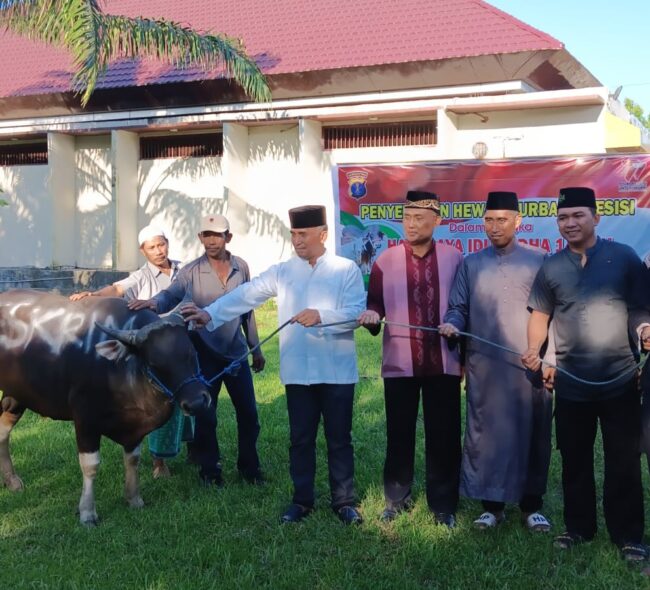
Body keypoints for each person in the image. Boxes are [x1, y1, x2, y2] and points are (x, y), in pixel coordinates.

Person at [180, 205, 366, 525]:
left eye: (303, 235)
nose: (297, 241)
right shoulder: (283, 271)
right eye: (293, 234)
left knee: (339, 438)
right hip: (298, 373)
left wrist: (323, 316)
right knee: (300, 438)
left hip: (336, 370)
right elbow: (246, 294)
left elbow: (356, 312)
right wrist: (211, 313)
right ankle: (302, 500)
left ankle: (344, 501)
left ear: (322, 235)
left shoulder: (345, 269)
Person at [522, 186, 650, 562]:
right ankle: (579, 528)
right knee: (574, 459)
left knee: (622, 461)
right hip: (572, 383)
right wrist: (536, 351)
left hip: (621, 380)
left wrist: (644, 330)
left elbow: (641, 308)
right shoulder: (552, 266)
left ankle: (628, 535)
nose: (570, 223)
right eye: (563, 217)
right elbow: (540, 316)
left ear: (596, 217)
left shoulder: (623, 258)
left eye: (578, 215)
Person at [438, 191, 553, 532]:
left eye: (502, 220)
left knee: (533, 432)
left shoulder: (540, 260)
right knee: (486, 434)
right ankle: (492, 506)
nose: (494, 227)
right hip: (485, 366)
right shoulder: (471, 264)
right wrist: (453, 324)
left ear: (518, 222)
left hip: (529, 364)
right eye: (488, 220)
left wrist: (549, 359)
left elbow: (555, 315)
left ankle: (531, 506)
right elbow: (458, 308)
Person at [129, 214, 266, 487]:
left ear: (228, 237)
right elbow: (171, 294)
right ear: (200, 238)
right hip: (204, 355)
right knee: (207, 416)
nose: (211, 240)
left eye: (217, 235)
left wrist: (255, 348)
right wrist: (153, 303)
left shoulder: (242, 267)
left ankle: (249, 468)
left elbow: (246, 311)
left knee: (249, 414)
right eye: (206, 234)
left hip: (236, 354)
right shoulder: (190, 271)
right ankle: (210, 470)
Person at [358, 190, 463, 528]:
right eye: (407, 218)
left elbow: (463, 308)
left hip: (444, 363)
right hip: (400, 362)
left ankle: (443, 505)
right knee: (399, 433)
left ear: (437, 220)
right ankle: (395, 499)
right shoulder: (384, 261)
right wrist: (372, 315)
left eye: (420, 218)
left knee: (444, 435)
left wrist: (457, 327)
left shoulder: (455, 258)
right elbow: (375, 303)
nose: (412, 224)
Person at [70, 224, 186, 479]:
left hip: (185, 344)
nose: (158, 251)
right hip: (157, 351)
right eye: (152, 247)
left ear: (168, 243)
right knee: (161, 402)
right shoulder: (141, 276)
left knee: (188, 397)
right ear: (143, 251)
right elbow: (117, 288)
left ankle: (191, 449)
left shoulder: (184, 270)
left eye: (161, 244)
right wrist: (95, 295)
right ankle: (159, 461)